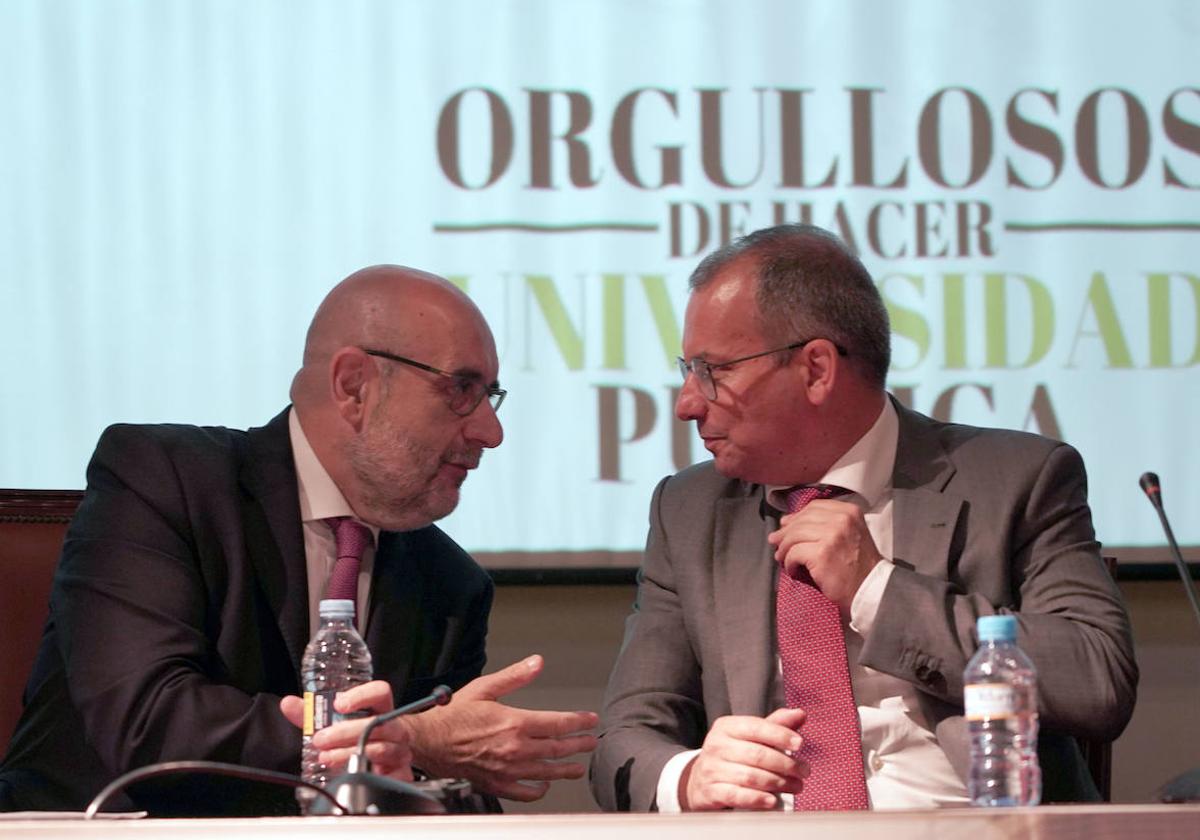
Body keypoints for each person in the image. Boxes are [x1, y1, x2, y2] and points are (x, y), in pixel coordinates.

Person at [0, 266, 597, 815]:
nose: (490, 431)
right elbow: (148, 722)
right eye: (461, 390)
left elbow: (448, 797)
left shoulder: (448, 584)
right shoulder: (164, 479)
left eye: (490, 395)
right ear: (354, 386)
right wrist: (397, 739)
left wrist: (427, 761)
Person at [590, 224, 1138, 812]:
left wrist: (878, 589)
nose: (686, 403)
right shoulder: (690, 510)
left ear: (817, 368)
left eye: (712, 371)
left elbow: (1097, 680)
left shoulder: (1016, 479)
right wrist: (688, 774)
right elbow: (623, 739)